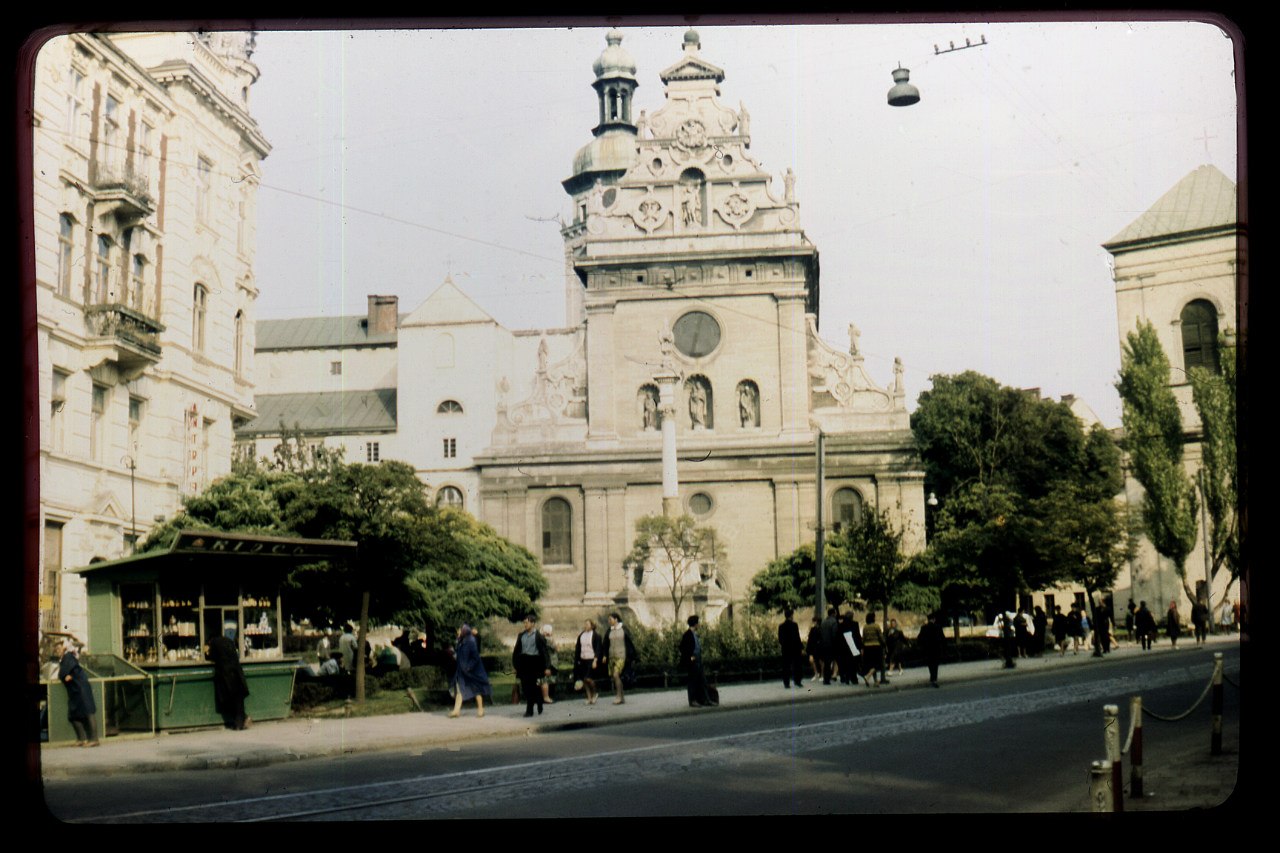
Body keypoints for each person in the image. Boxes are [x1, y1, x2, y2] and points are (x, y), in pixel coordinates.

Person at [206, 623, 251, 730]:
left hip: (227, 676)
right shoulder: (228, 640)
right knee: (238, 700)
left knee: (231, 700)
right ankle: (241, 721)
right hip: (237, 673)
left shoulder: (214, 644)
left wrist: (207, 653)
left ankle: (240, 723)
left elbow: (211, 657)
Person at [57, 641, 99, 746]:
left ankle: (94, 739)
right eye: (56, 649)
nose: (57, 651)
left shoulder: (68, 657)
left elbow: (64, 672)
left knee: (88, 712)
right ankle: (82, 739)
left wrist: (67, 675)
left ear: (64, 648)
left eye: (59, 648)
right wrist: (66, 676)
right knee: (73, 715)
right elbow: (64, 674)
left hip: (81, 688)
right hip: (75, 690)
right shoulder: (65, 659)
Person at [512, 614, 552, 717]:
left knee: (531, 685)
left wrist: (547, 667)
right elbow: (516, 651)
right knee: (526, 687)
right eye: (524, 622)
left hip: (534, 662)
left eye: (527, 622)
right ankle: (539, 699)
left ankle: (529, 710)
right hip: (524, 662)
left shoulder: (538, 636)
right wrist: (516, 665)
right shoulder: (521, 636)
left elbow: (545, 652)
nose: (525, 624)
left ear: (533, 623)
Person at [449, 624, 490, 718]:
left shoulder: (471, 642)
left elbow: (475, 658)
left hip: (471, 671)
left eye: (459, 631)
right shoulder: (460, 642)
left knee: (475, 689)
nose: (458, 633)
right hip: (461, 671)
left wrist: (469, 667)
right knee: (459, 689)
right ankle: (456, 710)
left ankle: (480, 709)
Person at [601, 612, 636, 705]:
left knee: (616, 675)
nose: (609, 621)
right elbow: (605, 644)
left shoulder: (623, 629)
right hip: (612, 656)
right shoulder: (609, 630)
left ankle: (618, 696)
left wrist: (631, 656)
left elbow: (629, 642)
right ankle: (622, 697)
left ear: (616, 619)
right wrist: (604, 655)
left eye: (610, 619)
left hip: (621, 655)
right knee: (615, 677)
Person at [680, 615, 714, 707]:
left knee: (702, 681)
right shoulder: (687, 635)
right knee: (692, 682)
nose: (699, 625)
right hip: (693, 662)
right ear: (695, 624)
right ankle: (693, 700)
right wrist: (691, 658)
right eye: (698, 623)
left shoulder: (694, 634)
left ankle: (705, 699)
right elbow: (684, 649)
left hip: (698, 660)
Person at [574, 619, 604, 704]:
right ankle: (589, 697)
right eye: (585, 624)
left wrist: (595, 660)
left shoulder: (596, 636)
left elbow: (598, 649)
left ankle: (595, 693)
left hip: (591, 658)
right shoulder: (581, 635)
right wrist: (577, 660)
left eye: (587, 624)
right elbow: (578, 648)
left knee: (589, 678)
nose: (585, 625)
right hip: (583, 659)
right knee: (584, 679)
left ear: (592, 625)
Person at [778, 608, 805, 689]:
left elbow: (780, 639)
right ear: (791, 616)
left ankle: (786, 683)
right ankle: (797, 681)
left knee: (786, 666)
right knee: (797, 666)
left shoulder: (781, 626)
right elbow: (797, 637)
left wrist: (784, 645)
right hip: (795, 649)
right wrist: (801, 647)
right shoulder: (794, 625)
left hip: (786, 649)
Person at [917, 612, 945, 687]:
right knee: (935, 664)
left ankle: (932, 677)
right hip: (936, 649)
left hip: (927, 649)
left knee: (930, 664)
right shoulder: (938, 627)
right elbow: (942, 639)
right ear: (934, 619)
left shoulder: (924, 628)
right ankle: (934, 679)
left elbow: (919, 638)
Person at [862, 612, 887, 684]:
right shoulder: (876, 626)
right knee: (877, 664)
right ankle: (868, 676)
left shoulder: (865, 627)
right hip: (876, 646)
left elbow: (863, 638)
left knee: (871, 664)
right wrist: (884, 643)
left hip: (867, 647)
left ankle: (876, 681)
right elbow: (881, 637)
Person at [820, 606, 840, 685]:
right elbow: (834, 634)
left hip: (824, 644)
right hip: (831, 645)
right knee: (836, 661)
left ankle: (826, 679)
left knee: (826, 663)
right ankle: (834, 677)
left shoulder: (824, 622)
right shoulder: (834, 622)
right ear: (833, 613)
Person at [540, 623, 559, 705]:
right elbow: (556, 648)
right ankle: (547, 697)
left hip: (548, 662)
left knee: (547, 680)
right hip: (550, 662)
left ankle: (547, 696)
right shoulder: (548, 640)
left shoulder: (544, 639)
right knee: (547, 680)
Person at [805, 617, 824, 682]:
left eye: (814, 621)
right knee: (812, 660)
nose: (813, 622)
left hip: (819, 647)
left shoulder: (821, 629)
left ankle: (822, 674)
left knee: (820, 661)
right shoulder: (812, 629)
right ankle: (816, 673)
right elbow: (809, 639)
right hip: (813, 647)